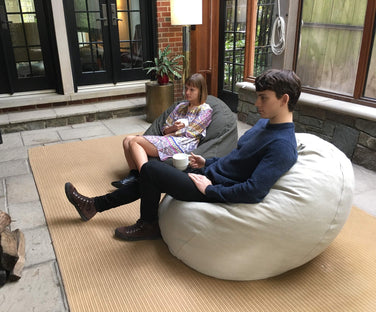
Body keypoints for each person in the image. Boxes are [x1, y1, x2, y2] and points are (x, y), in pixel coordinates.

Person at [65, 69, 301, 241]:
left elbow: (254, 191)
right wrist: (207, 161)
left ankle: (147, 224)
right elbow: (236, 159)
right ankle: (93, 206)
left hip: (211, 188)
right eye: (258, 96)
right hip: (206, 172)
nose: (257, 102)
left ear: (284, 99)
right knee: (149, 174)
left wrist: (210, 189)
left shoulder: (282, 146)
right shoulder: (263, 124)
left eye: (264, 97)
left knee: (149, 169)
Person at [111, 73, 213, 188]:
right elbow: (165, 129)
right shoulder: (181, 106)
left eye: (192, 90)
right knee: (127, 140)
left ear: (201, 91)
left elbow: (190, 133)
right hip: (172, 138)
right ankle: (134, 176)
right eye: (186, 88)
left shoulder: (205, 110)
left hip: (185, 143)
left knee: (135, 141)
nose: (187, 92)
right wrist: (173, 128)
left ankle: (147, 179)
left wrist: (173, 133)